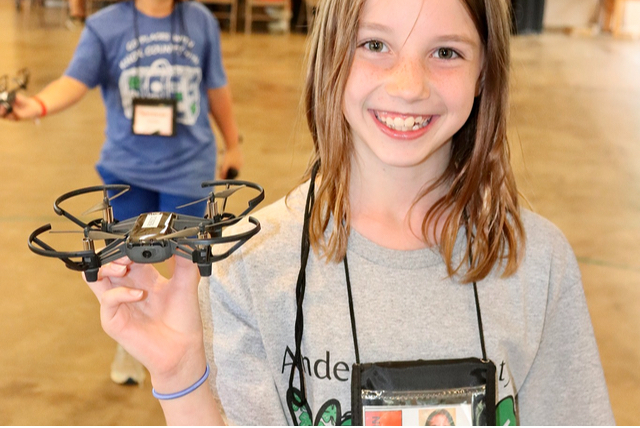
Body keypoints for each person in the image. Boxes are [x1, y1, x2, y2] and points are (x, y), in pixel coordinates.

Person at [76, 0, 614, 425]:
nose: (409, 86)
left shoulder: (537, 261)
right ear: (329, 54)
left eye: (446, 52)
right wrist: (179, 377)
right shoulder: (247, 260)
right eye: (375, 44)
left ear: (485, 73)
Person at [2, 0, 242, 386]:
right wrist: (38, 105)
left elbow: (216, 87)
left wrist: (233, 143)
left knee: (192, 269)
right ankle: (133, 342)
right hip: (127, 171)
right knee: (128, 265)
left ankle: (197, 349)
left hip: (189, 168)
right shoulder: (104, 27)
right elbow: (74, 81)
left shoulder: (200, 21)